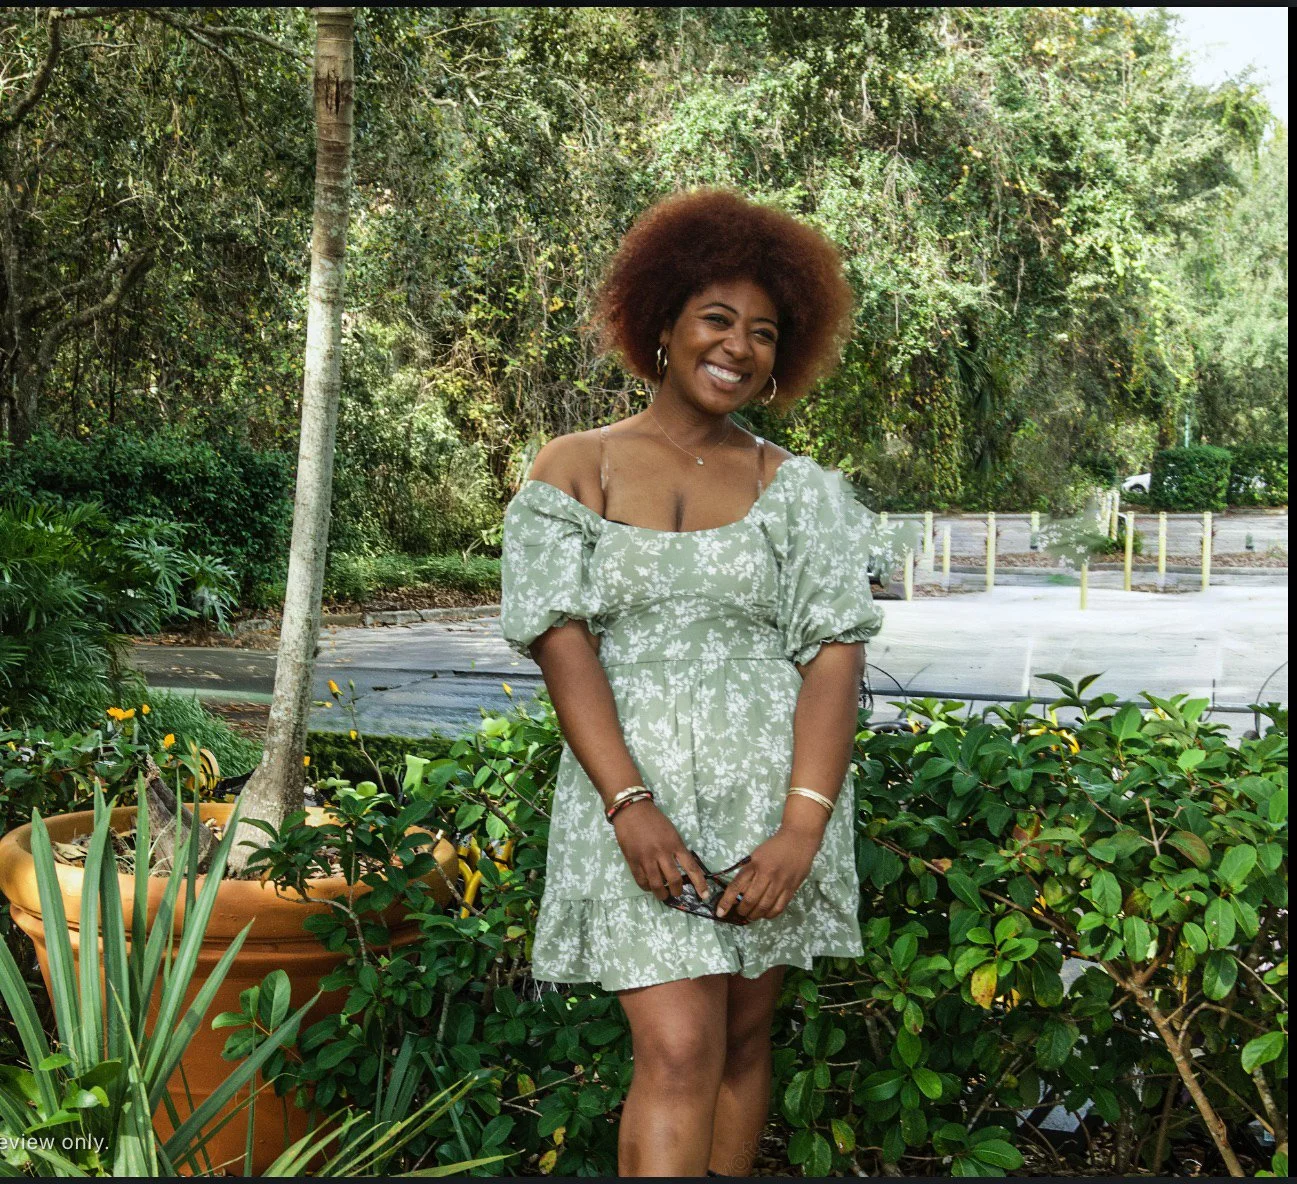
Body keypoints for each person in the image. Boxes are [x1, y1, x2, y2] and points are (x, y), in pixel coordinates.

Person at [499, 188, 885, 1177]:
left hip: (770, 807)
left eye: (764, 331)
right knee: (676, 1046)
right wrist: (629, 802)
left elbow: (833, 655)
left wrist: (802, 826)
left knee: (740, 1045)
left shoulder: (800, 490)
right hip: (637, 804)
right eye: (717, 318)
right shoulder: (573, 468)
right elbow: (561, 640)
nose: (739, 346)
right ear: (662, 323)